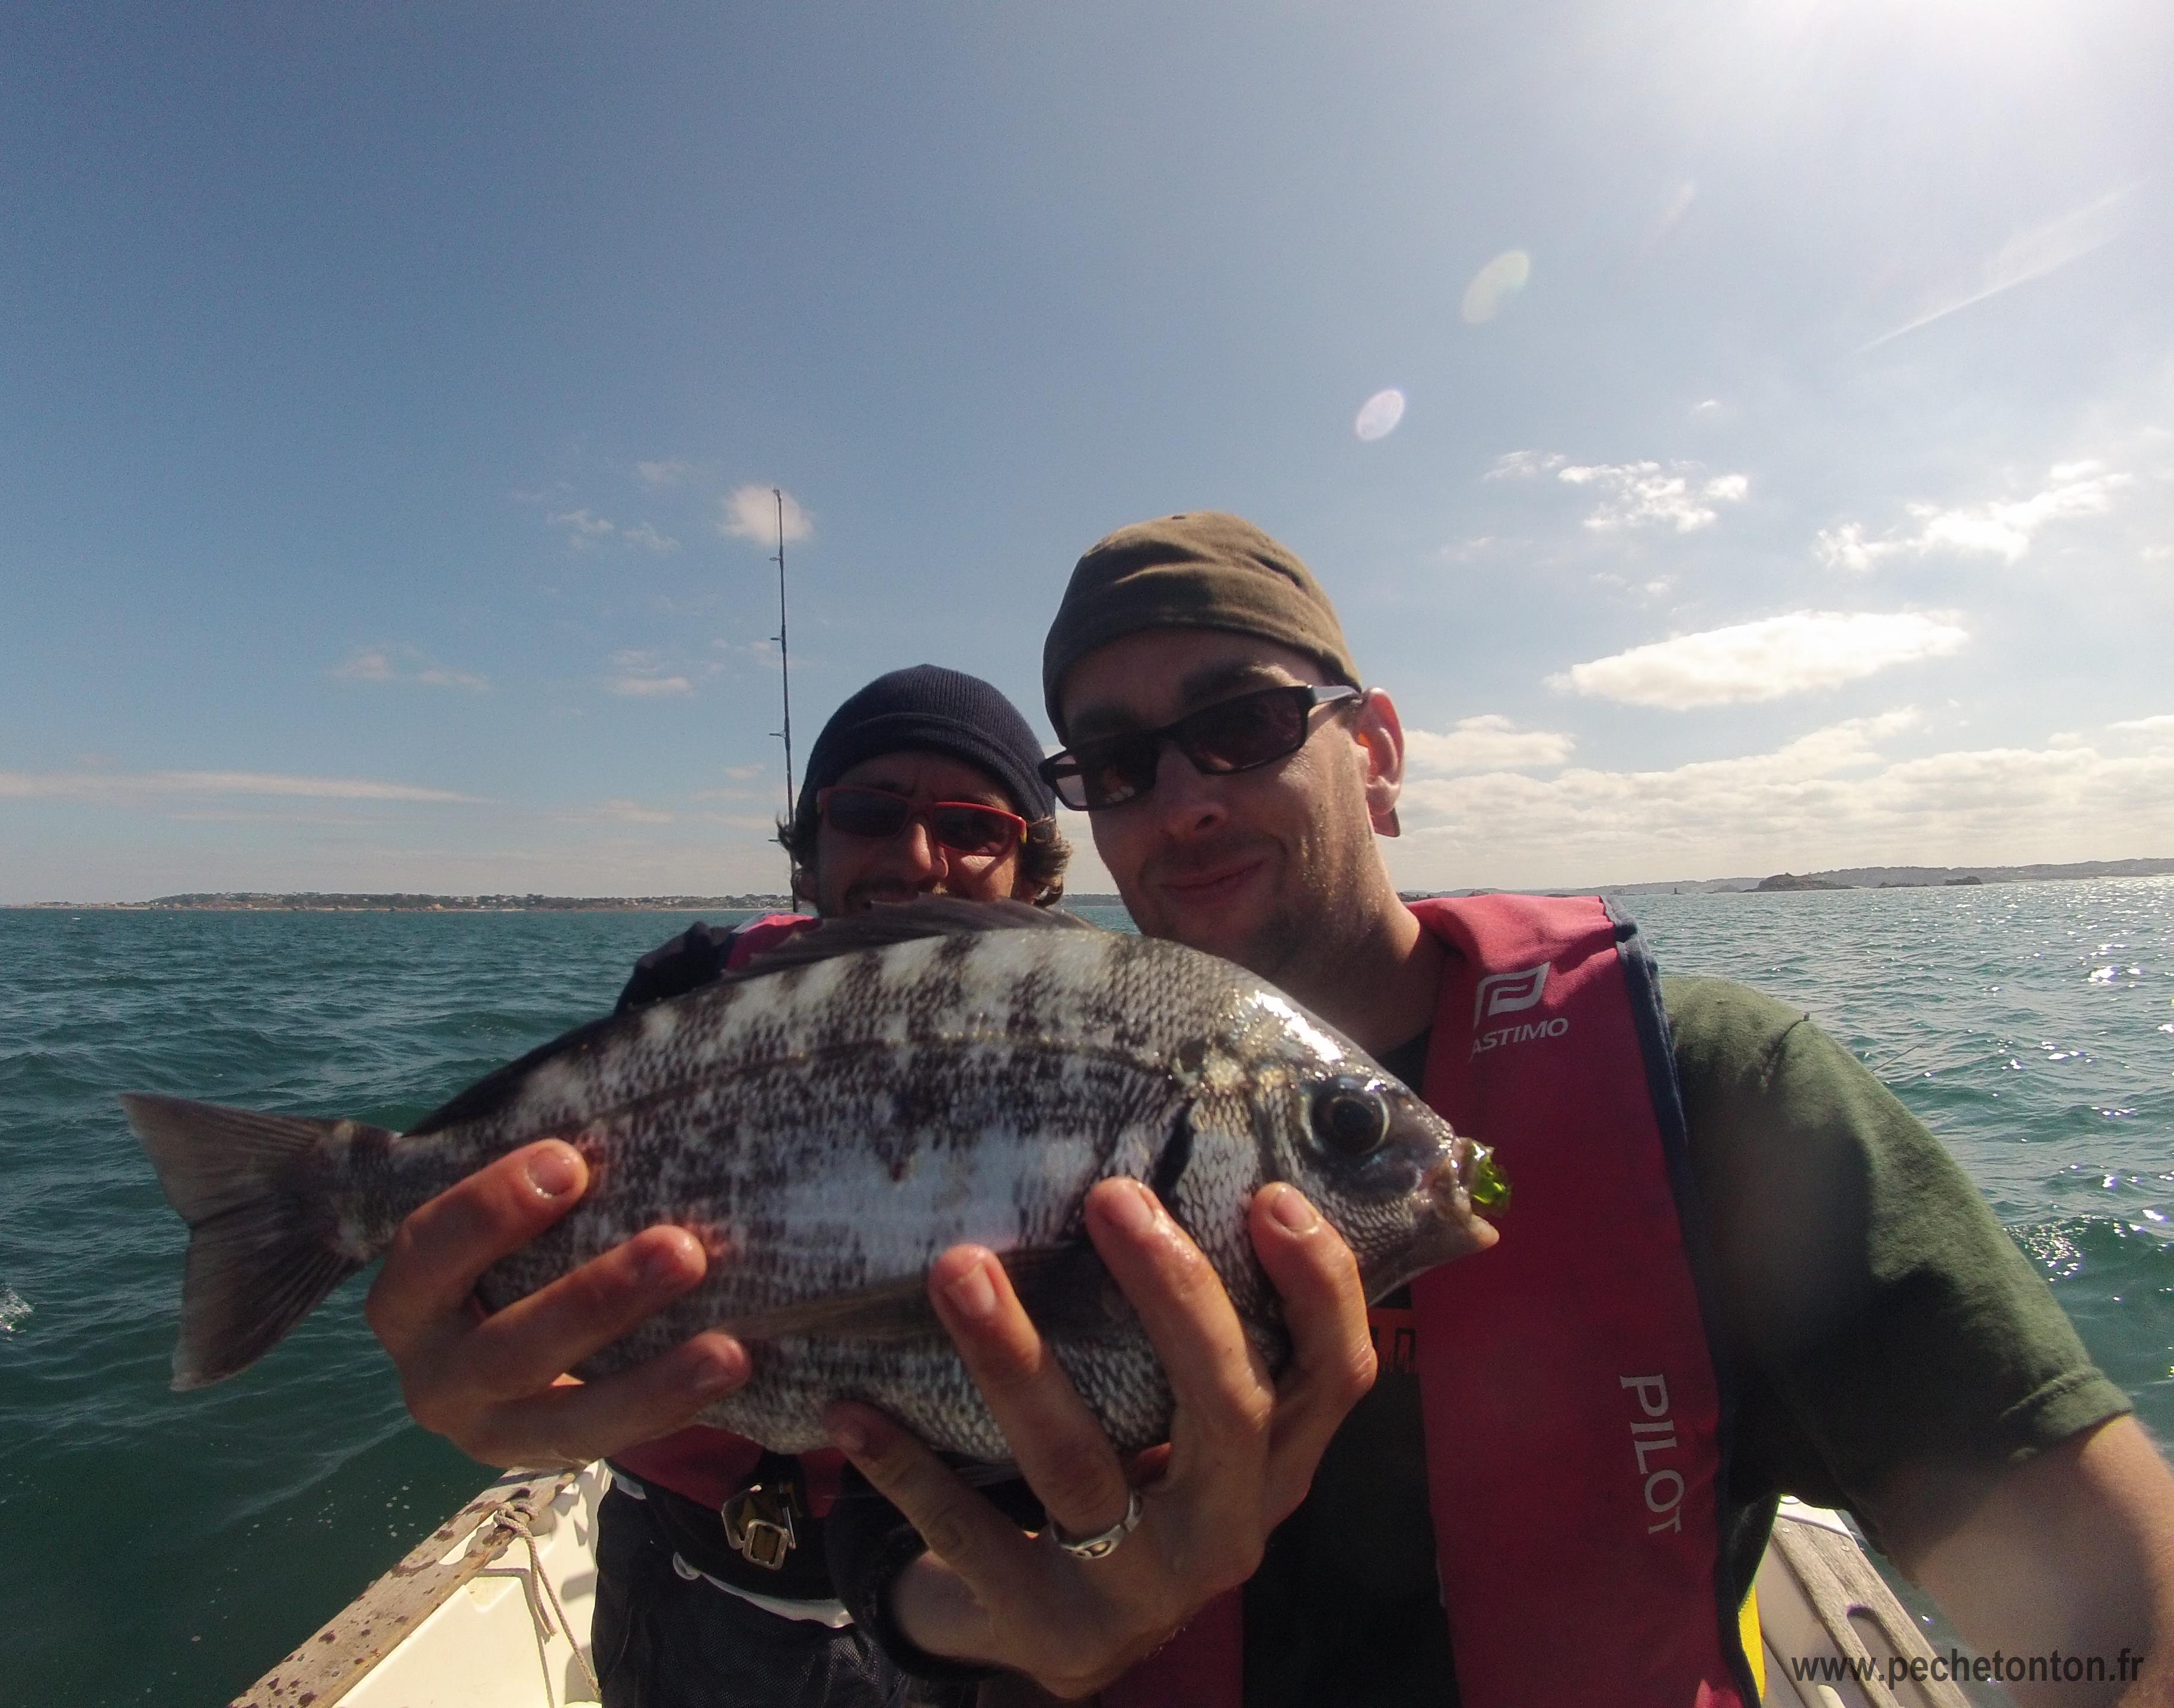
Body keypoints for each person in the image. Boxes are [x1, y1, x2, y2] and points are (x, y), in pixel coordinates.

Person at [817, 513, 2174, 1707]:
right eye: (1116, 765)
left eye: (1244, 725)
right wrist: (997, 1614)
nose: (1185, 803)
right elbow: (898, 1504)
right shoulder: (1002, 1111)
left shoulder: (1715, 1091)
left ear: (1380, 755)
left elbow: (2112, 1610)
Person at [367, 662, 1070, 1708]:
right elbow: (564, 1198)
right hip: (695, 1586)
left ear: (1036, 870)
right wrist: (479, 1341)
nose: (918, 857)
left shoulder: (1090, 1026)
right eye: (869, 811)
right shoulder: (690, 993)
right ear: (810, 850)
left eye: (976, 827)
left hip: (978, 1613)